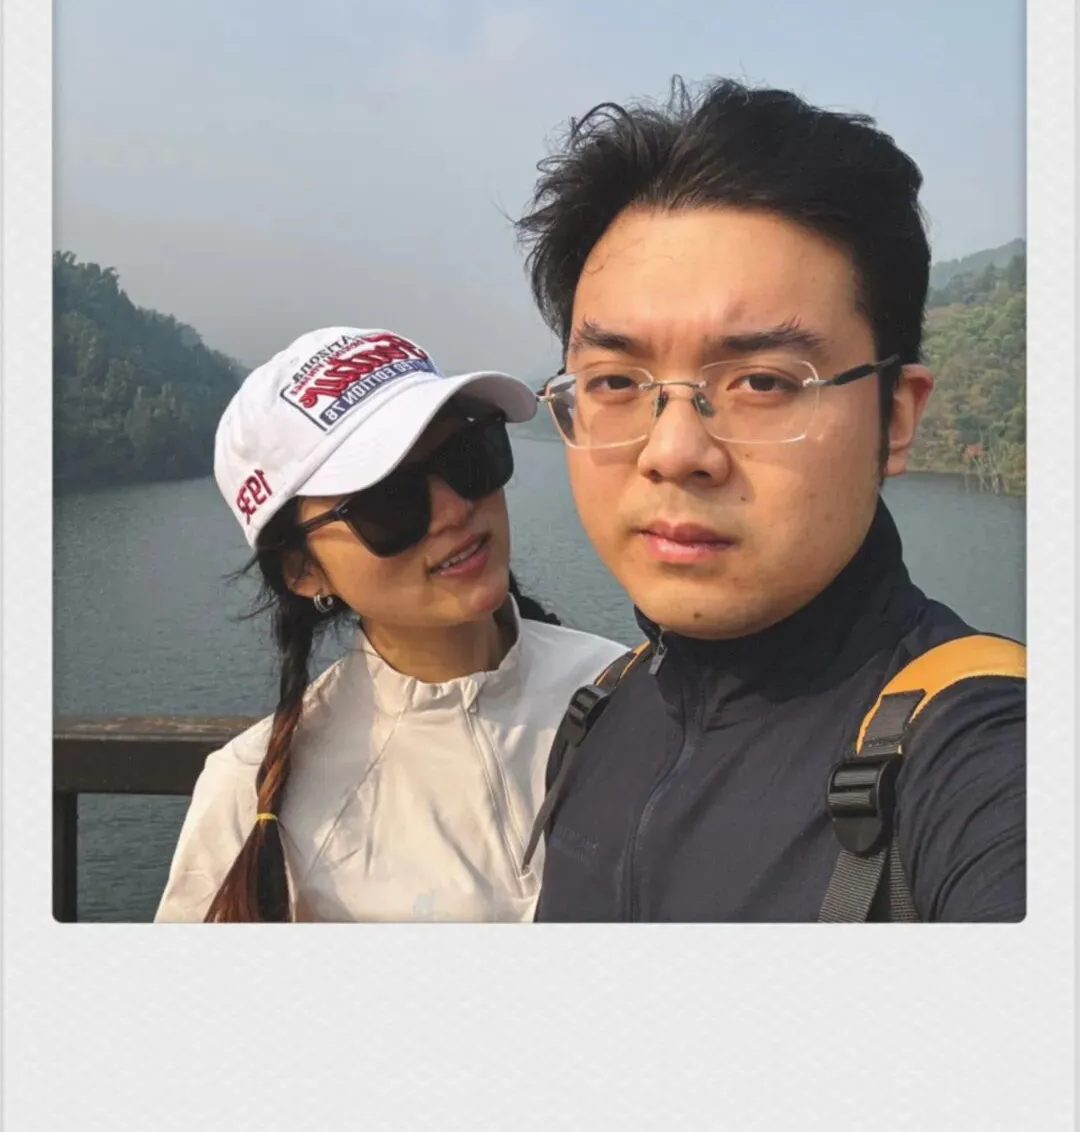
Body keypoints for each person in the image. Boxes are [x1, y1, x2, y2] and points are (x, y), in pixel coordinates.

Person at [513, 77, 1026, 923]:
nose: (673, 452)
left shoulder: (980, 757)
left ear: (895, 418)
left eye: (761, 382)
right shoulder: (607, 709)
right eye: (614, 381)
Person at [155, 326, 626, 922]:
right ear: (303, 569)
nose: (454, 510)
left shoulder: (630, 689)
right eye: (389, 503)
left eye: (468, 457)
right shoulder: (248, 799)